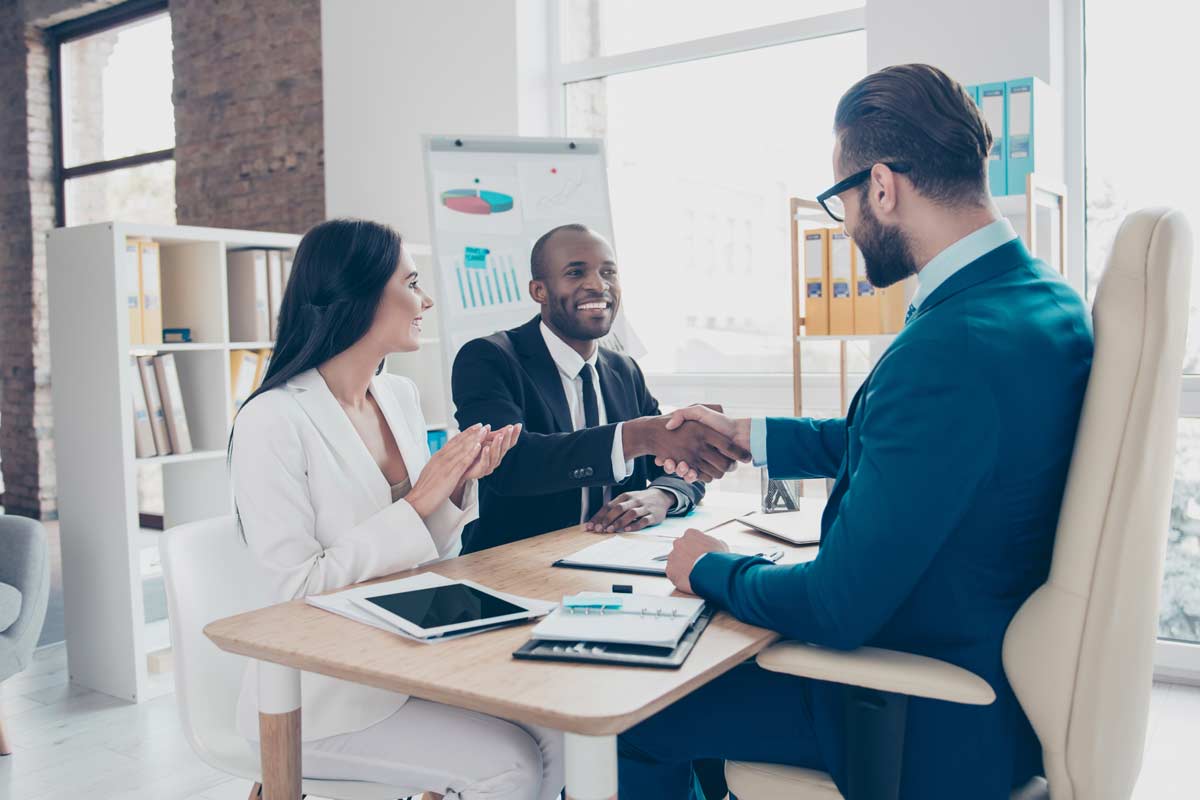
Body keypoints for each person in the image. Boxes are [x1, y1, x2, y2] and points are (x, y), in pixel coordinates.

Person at [619, 63, 1095, 799]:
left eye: (840, 198)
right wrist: (748, 434)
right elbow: (915, 446)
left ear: (881, 186)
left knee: (635, 714)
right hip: (993, 690)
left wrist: (708, 566)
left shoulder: (951, 345)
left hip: (914, 717)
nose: (844, 224)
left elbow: (836, 607)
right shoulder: (1039, 302)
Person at [229, 218, 563, 800]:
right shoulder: (272, 420)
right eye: (411, 283)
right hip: (322, 691)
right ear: (358, 298)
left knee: (566, 731)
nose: (426, 299)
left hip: (409, 654)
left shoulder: (399, 395)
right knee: (510, 769)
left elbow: (427, 553)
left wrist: (459, 487)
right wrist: (422, 496)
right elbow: (296, 590)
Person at [451, 223, 748, 553]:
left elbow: (669, 463)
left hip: (617, 560)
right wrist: (640, 435)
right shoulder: (488, 358)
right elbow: (510, 465)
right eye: (576, 273)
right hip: (516, 566)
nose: (598, 285)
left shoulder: (624, 369)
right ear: (539, 291)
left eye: (609, 272)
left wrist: (662, 495)